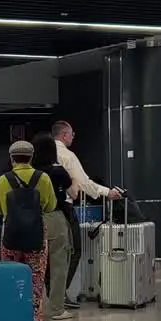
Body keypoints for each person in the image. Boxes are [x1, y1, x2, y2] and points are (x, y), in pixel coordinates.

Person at [53, 120, 122, 307]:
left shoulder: (44, 155)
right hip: (64, 209)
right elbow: (84, 182)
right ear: (65, 135)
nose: (73, 137)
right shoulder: (67, 156)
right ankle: (59, 295)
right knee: (74, 250)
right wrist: (108, 192)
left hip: (43, 209)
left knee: (51, 254)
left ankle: (48, 295)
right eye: (72, 134)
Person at [0, 140, 57, 321]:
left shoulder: (3, 180)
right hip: (36, 234)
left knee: (10, 275)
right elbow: (50, 205)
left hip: (11, 235)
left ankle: (12, 317)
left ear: (12, 158)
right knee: (36, 277)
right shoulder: (43, 178)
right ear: (31, 158)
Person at [31, 133, 75, 321]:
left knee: (33, 265)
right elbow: (70, 186)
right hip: (54, 217)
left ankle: (33, 308)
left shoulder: (30, 172)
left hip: (31, 219)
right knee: (58, 264)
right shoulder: (57, 172)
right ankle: (56, 308)